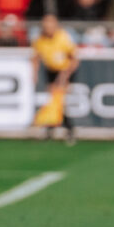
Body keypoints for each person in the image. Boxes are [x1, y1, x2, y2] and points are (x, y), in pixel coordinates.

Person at [31, 14, 79, 145]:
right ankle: (52, 128)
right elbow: (36, 58)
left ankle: (69, 129)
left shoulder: (63, 38)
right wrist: (34, 74)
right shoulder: (40, 40)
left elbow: (74, 58)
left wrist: (65, 75)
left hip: (64, 71)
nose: (48, 27)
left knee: (59, 102)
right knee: (53, 102)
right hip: (51, 72)